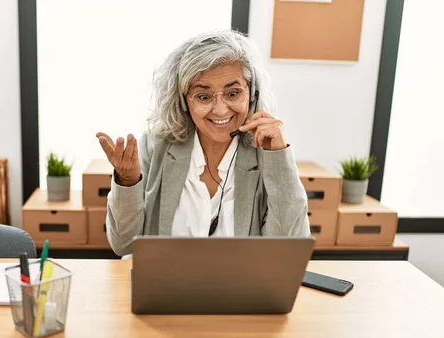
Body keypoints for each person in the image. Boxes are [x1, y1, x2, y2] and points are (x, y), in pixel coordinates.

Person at [96, 30, 310, 257]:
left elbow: (289, 250)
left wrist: (279, 159)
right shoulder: (155, 146)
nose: (220, 109)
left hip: (241, 290)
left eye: (233, 93)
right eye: (204, 97)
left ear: (252, 94)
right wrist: (128, 182)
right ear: (183, 101)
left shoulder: (265, 152)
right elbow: (124, 245)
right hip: (167, 288)